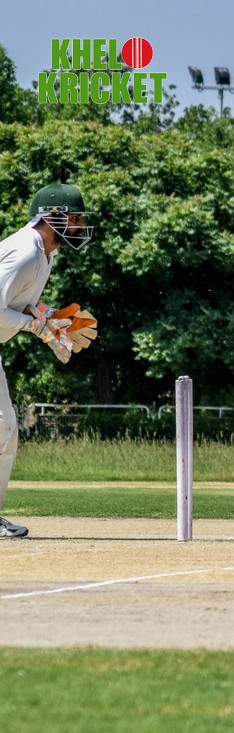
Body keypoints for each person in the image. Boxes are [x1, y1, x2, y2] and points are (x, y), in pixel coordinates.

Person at [0, 183, 99, 538]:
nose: (79, 225)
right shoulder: (25, 253)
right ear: (51, 218)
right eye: (74, 218)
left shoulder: (45, 255)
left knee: (6, 432)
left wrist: (51, 317)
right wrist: (38, 327)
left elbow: (19, 302)